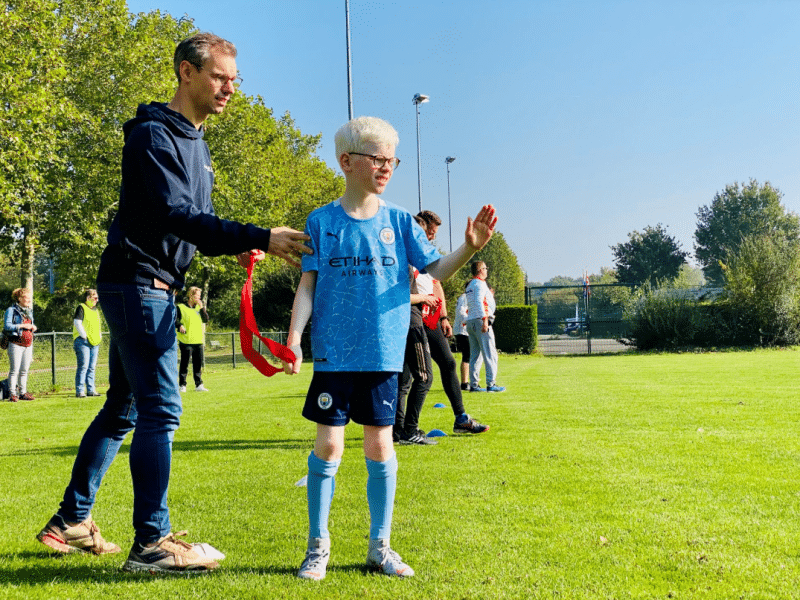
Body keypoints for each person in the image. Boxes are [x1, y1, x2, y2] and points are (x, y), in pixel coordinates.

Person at [36, 33, 311, 574]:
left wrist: (238, 244)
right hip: (139, 285)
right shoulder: (153, 137)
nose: (231, 88)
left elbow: (189, 223)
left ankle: (72, 519)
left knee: (124, 407)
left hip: (145, 282)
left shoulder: (196, 140)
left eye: (235, 79)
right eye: (220, 77)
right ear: (186, 73)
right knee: (161, 408)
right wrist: (257, 233)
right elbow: (173, 215)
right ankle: (152, 544)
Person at [282, 116, 497, 581]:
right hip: (335, 355)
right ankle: (317, 547)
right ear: (347, 161)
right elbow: (308, 284)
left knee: (380, 446)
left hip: (383, 353)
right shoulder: (321, 221)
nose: (386, 167)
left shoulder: (400, 222)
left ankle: (380, 546)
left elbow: (434, 271)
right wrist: (295, 338)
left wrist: (468, 246)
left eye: (391, 159)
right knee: (329, 444)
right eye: (377, 158)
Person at [414, 211, 489, 434]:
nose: (431, 237)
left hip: (431, 317)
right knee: (412, 375)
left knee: (448, 363)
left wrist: (444, 317)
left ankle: (460, 418)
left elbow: (437, 284)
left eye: (434, 234)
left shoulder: (429, 252)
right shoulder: (408, 250)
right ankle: (403, 428)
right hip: (412, 313)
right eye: (429, 231)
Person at [465, 261, 506, 392]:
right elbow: (479, 301)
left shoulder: (470, 284)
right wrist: (485, 320)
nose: (487, 270)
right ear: (480, 270)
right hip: (480, 320)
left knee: (475, 355)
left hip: (471, 320)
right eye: (485, 268)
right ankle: (491, 383)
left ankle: (474, 384)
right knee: (490, 353)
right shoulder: (480, 284)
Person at [4, 288, 37, 402]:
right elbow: (7, 326)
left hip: (28, 344)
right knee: (15, 370)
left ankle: (23, 392)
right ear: (19, 298)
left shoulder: (29, 310)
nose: (29, 300)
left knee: (24, 370)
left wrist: (33, 327)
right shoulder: (11, 310)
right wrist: (21, 326)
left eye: (29, 297)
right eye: (27, 297)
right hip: (15, 344)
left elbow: (30, 324)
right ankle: (12, 393)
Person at [176, 286, 209, 393]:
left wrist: (202, 308)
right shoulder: (180, 307)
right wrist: (180, 325)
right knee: (184, 364)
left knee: (198, 364)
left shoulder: (199, 308)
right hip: (186, 340)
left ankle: (199, 384)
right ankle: (182, 385)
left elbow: (205, 319)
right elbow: (174, 320)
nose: (199, 298)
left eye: (200, 296)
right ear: (191, 295)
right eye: (197, 296)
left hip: (198, 340)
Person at [73, 289, 102, 398]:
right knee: (83, 366)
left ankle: (91, 389)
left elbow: (97, 325)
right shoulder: (81, 307)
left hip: (95, 342)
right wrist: (84, 335)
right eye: (95, 298)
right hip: (83, 341)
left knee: (92, 367)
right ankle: (80, 390)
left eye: (97, 298)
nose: (96, 300)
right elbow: (77, 322)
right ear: (88, 298)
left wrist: (99, 336)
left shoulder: (95, 310)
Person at [453, 281, 474, 390]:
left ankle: (469, 381)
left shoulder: (467, 297)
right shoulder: (465, 297)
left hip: (465, 330)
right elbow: (461, 311)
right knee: (467, 355)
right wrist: (469, 320)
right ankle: (464, 383)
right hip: (463, 330)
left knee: (469, 355)